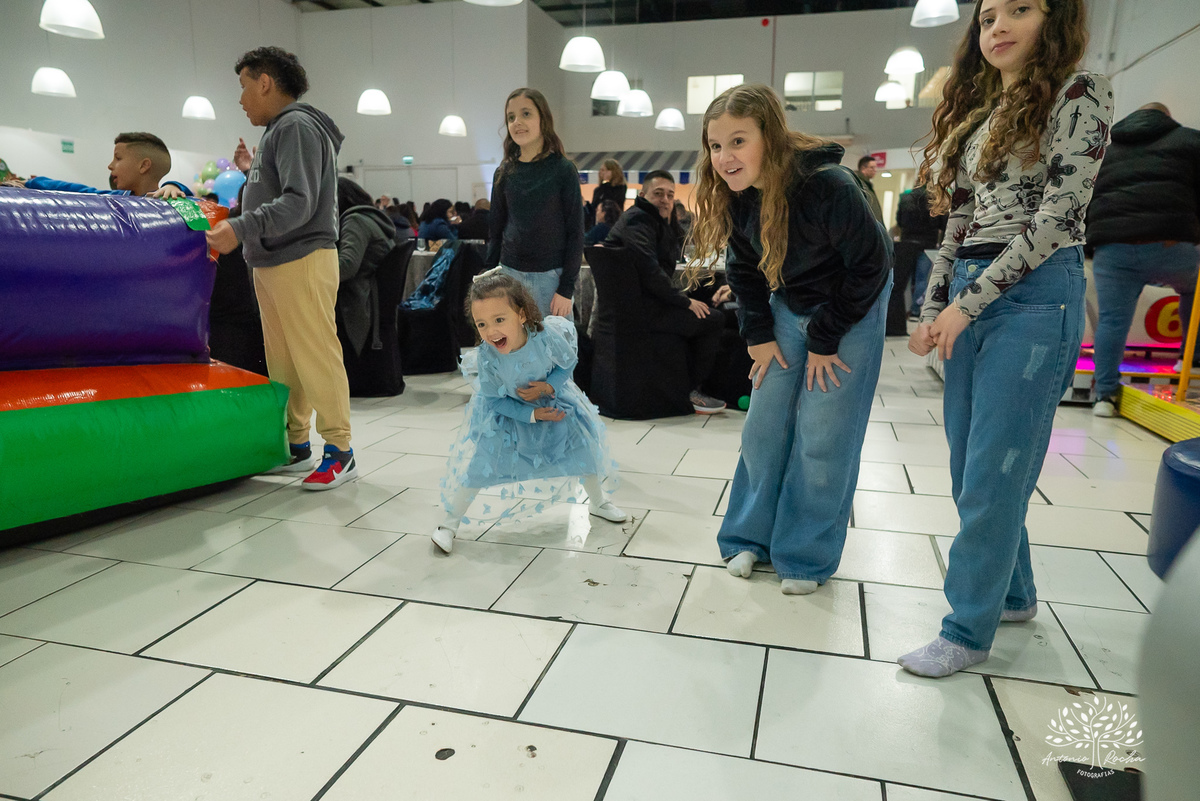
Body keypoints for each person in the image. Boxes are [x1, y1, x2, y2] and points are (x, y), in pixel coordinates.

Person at [901, 0, 1113, 678]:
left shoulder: (1081, 91)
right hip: (973, 288)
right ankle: (1013, 594)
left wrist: (965, 304)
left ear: (1055, 17)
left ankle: (966, 629)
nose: (997, 26)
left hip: (1034, 293)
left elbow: (1059, 218)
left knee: (996, 471)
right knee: (977, 470)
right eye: (988, 15)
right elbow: (961, 217)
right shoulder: (985, 110)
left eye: (1018, 8)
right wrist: (933, 304)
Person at [686, 84, 892, 596]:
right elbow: (743, 267)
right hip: (791, 302)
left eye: (738, 141)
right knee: (764, 423)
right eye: (715, 146)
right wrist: (756, 332)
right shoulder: (738, 196)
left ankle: (805, 553)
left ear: (770, 138)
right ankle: (748, 537)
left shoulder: (829, 185)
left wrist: (824, 338)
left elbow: (871, 266)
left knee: (823, 433)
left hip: (852, 307)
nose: (725, 157)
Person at [205, 45, 357, 491]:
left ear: (265, 82)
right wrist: (253, 173)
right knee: (286, 359)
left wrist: (240, 227)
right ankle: (297, 443)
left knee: (315, 354)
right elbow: (284, 189)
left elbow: (299, 202)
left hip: (302, 257)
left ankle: (340, 449)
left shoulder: (294, 125)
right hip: (275, 260)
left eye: (244, 86)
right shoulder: (280, 130)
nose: (241, 99)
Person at [432, 269, 626, 553]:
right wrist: (531, 415)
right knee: (480, 466)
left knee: (582, 446)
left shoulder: (544, 337)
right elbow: (494, 399)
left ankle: (598, 502)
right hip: (507, 416)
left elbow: (566, 365)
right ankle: (448, 524)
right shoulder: (488, 358)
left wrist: (548, 388)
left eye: (500, 320)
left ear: (522, 315)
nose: (491, 331)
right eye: (482, 324)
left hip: (552, 402)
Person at [1086, 102, 1200, 416]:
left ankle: (1104, 398)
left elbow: (1086, 197)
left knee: (1112, 320)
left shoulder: (1104, 150)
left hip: (1112, 248)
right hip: (1170, 245)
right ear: (1167, 118)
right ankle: (1190, 359)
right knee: (1195, 289)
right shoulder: (1191, 140)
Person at [606, 170, 727, 413]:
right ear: (643, 194)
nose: (665, 199)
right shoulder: (638, 221)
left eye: (670, 195)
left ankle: (683, 385)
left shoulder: (650, 219)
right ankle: (692, 390)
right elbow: (650, 271)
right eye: (658, 193)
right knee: (715, 319)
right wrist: (684, 302)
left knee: (705, 304)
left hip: (642, 305)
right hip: (642, 311)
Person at [486, 87, 584, 318]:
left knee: (555, 353)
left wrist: (566, 289)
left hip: (551, 281)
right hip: (509, 277)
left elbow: (576, 233)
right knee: (511, 352)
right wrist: (489, 278)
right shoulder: (504, 172)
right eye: (511, 117)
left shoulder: (563, 170)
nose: (517, 122)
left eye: (526, 114)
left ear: (543, 119)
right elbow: (496, 230)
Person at [23, 132, 192, 198]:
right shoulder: (120, 197)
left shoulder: (168, 198)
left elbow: (195, 201)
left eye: (118, 158)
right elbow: (79, 190)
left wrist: (175, 186)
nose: (110, 166)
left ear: (144, 166)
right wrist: (31, 183)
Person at [336, 177, 396, 358]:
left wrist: (313, 272)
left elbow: (346, 266)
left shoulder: (355, 221)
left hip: (358, 299)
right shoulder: (372, 218)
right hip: (372, 297)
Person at [887, 184, 946, 335]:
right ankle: (915, 311)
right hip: (928, 244)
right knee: (921, 279)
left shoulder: (905, 197)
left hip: (907, 243)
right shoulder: (934, 198)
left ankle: (902, 313)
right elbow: (943, 224)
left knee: (901, 282)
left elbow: (899, 221)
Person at [588, 158, 627, 228]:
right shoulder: (598, 190)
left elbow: (614, 203)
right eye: (600, 170)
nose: (600, 172)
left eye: (603, 170)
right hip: (597, 223)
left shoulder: (620, 188)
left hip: (612, 224)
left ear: (612, 171)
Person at [850, 155, 885, 223]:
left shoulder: (868, 186)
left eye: (875, 167)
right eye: (872, 167)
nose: (875, 170)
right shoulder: (859, 185)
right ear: (863, 169)